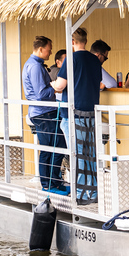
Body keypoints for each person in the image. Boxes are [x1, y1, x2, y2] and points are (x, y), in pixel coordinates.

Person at [51, 28, 103, 204]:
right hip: (92, 112)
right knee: (90, 152)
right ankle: (94, 191)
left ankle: (80, 192)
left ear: (72, 42)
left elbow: (60, 86)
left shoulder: (70, 60)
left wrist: (52, 83)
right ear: (86, 41)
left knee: (77, 153)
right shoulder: (95, 60)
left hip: (74, 113)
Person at [22, 35, 68, 195]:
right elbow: (41, 94)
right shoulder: (35, 66)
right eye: (48, 50)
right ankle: (49, 185)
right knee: (51, 149)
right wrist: (54, 86)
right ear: (41, 49)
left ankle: (54, 182)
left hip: (44, 112)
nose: (50, 53)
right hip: (43, 113)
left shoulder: (35, 64)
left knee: (57, 147)